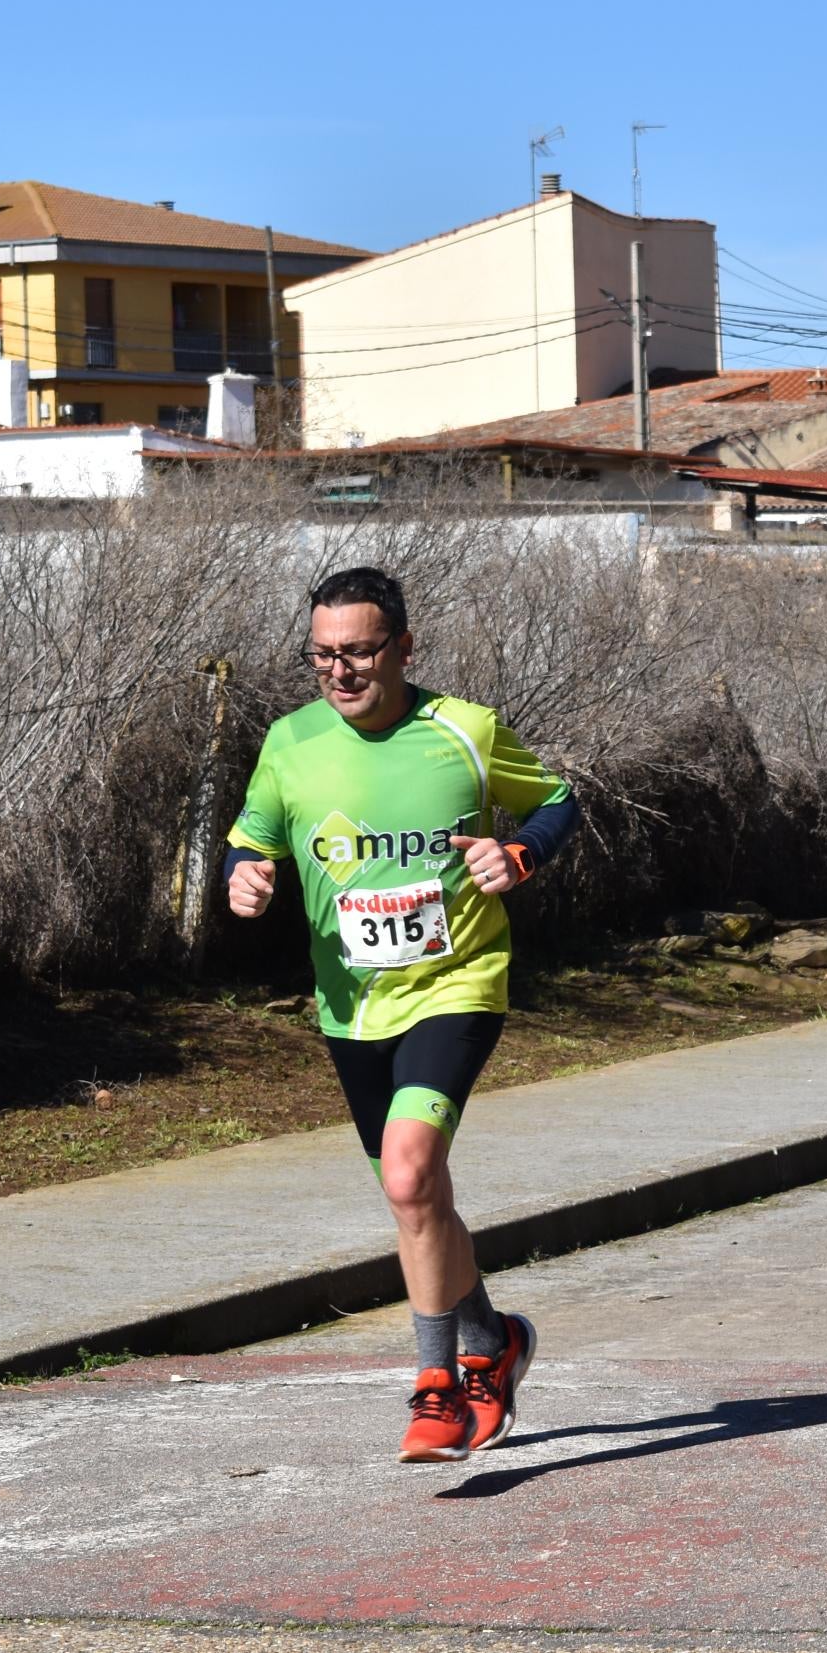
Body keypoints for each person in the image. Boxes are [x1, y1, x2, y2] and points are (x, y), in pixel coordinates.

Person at [224, 566, 578, 1463]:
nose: (340, 673)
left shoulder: (465, 731)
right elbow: (252, 835)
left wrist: (519, 855)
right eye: (322, 657)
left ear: (404, 649)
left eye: (359, 653)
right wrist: (246, 875)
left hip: (457, 983)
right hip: (352, 1006)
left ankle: (438, 1389)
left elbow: (557, 802)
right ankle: (493, 1341)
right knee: (420, 1198)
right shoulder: (291, 742)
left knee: (409, 1174)